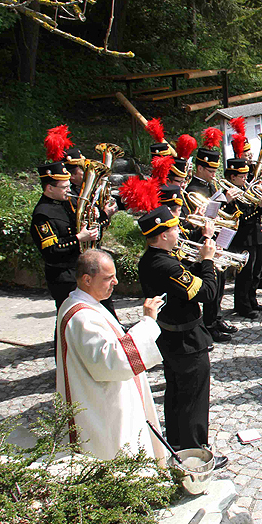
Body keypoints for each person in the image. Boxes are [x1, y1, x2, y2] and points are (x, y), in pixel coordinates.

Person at [137, 206, 226, 469]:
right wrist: (208, 262)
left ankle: (177, 443)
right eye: (174, 229)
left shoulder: (153, 259)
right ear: (163, 235)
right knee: (194, 398)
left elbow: (182, 281)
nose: (179, 232)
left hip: (170, 336)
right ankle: (195, 454)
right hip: (186, 338)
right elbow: (207, 293)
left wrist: (200, 261)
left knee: (176, 394)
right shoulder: (165, 264)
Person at [56, 249, 165, 462]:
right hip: (103, 408)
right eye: (108, 278)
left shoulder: (87, 304)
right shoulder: (81, 317)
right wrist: (148, 323)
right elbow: (113, 361)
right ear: (87, 279)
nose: (115, 282)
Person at [31, 162, 102, 312]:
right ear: (50, 188)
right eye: (64, 187)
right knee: (70, 315)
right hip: (63, 276)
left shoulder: (68, 201)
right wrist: (78, 238)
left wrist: (95, 216)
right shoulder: (42, 214)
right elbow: (51, 250)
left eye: (69, 185)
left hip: (81, 269)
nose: (69, 190)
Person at [186, 141, 238, 342]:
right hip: (203, 243)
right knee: (211, 284)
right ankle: (209, 324)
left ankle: (216, 318)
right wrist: (222, 200)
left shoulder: (210, 185)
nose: (214, 174)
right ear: (199, 168)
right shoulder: (193, 188)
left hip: (215, 240)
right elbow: (195, 219)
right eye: (210, 170)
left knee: (219, 283)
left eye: (216, 170)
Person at [224, 155, 262, 319]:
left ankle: (252, 299)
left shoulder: (245, 189)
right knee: (246, 274)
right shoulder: (229, 194)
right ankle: (242, 306)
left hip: (257, 235)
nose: (246, 179)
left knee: (256, 272)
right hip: (244, 238)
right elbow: (241, 218)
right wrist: (259, 208)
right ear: (232, 177)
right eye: (242, 177)